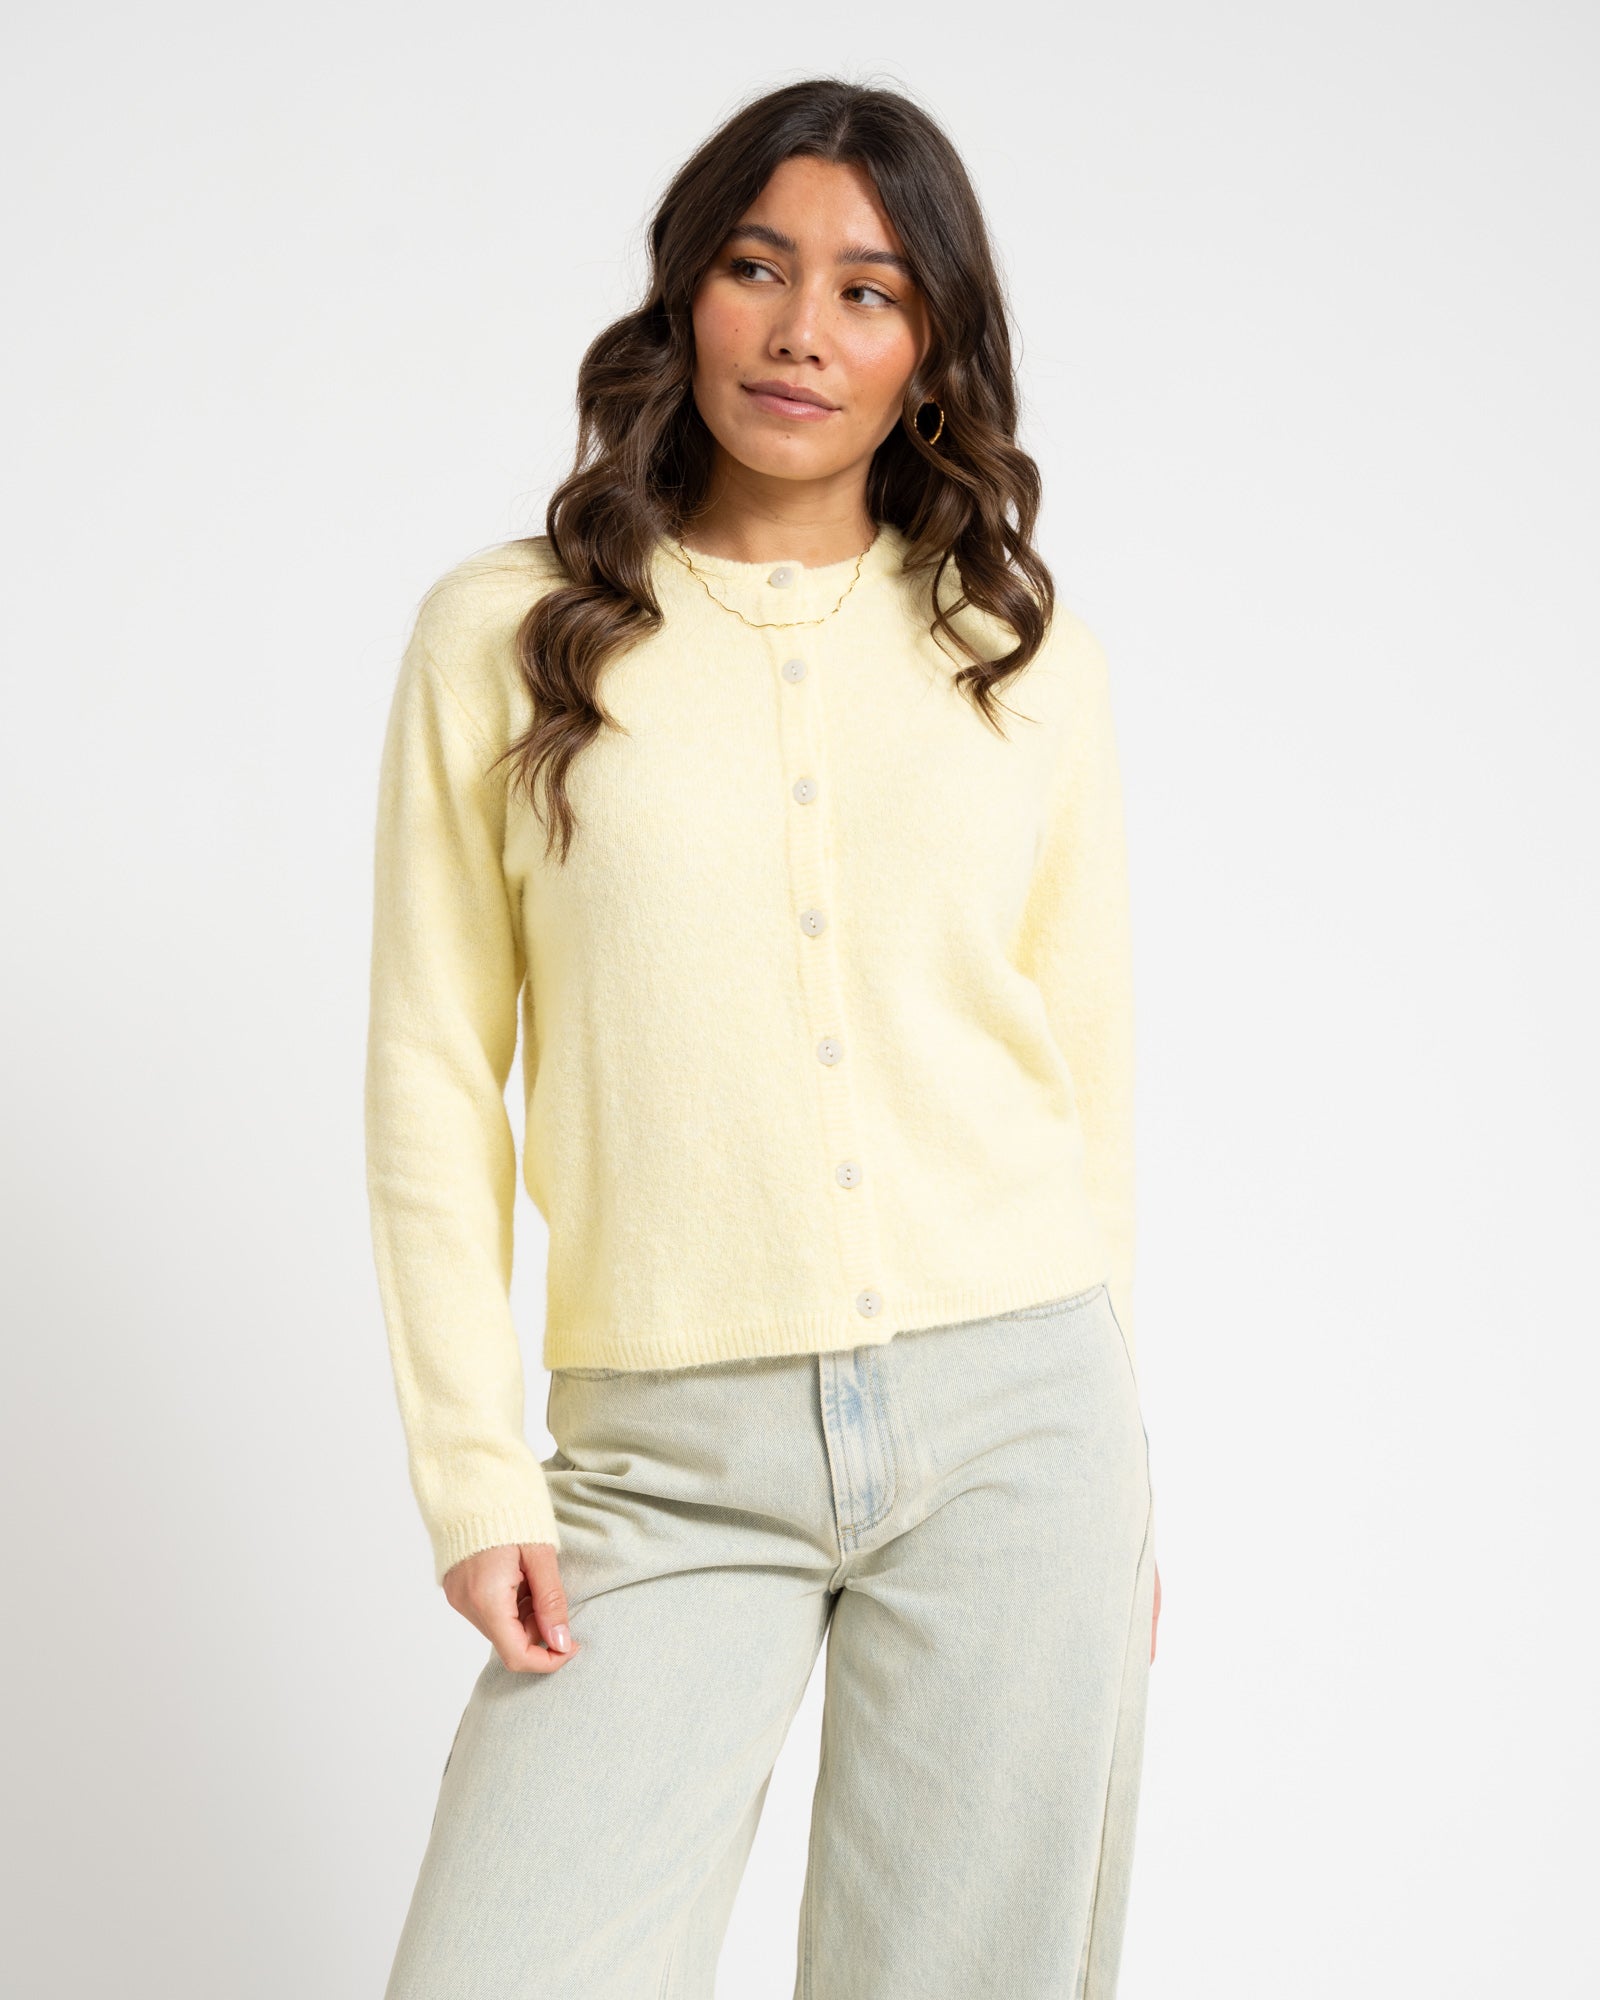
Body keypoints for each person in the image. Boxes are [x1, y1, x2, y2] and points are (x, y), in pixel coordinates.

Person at [364, 74, 1161, 2000]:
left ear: (931, 352)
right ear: (685, 295)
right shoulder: (508, 635)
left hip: (1018, 1433)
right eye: (757, 267)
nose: (804, 330)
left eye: (870, 292)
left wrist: (1117, 1462)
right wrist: (476, 1478)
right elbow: (431, 1071)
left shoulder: (1015, 651)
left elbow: (1086, 1069)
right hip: (665, 1458)